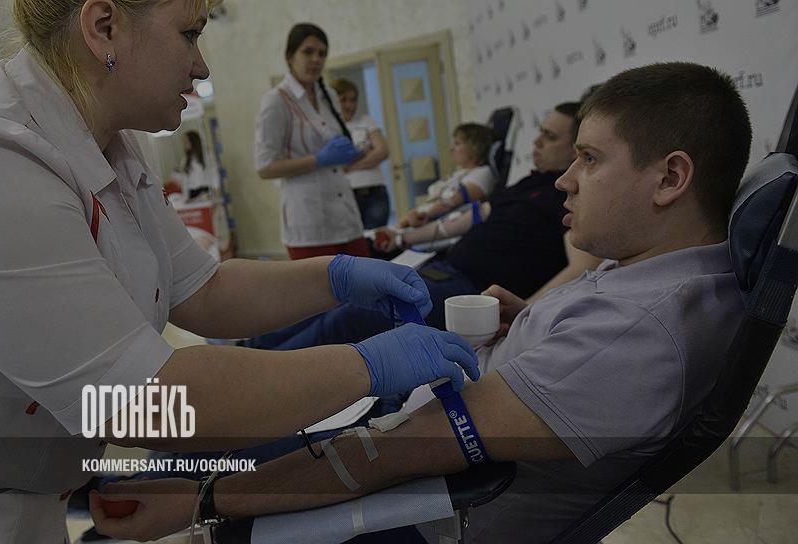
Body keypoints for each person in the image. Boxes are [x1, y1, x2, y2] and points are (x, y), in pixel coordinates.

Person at [0, 1, 480, 542]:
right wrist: (366, 366)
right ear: (104, 26)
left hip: (18, 497)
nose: (202, 64)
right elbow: (141, 404)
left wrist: (335, 277)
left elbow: (204, 290)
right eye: (190, 33)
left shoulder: (109, 142)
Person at [90, 61, 753, 544]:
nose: (565, 180)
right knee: (230, 428)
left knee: (212, 462)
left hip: (425, 510)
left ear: (670, 177)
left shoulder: (634, 332)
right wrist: (532, 323)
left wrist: (207, 501)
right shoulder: (663, 274)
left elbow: (400, 451)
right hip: (426, 440)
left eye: (589, 159)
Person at [248, 103, 580, 350]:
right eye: (539, 132)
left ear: (577, 149)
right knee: (343, 298)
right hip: (443, 269)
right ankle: (251, 346)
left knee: (346, 320)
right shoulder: (531, 182)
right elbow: (474, 216)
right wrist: (403, 237)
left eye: (550, 137)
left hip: (468, 292)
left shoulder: (570, 198)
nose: (537, 142)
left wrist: (523, 319)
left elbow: (580, 267)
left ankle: (255, 372)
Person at [255, 23, 369, 260]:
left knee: (363, 280)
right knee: (322, 285)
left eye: (322, 53)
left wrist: (350, 153)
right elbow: (265, 167)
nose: (316, 59)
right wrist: (318, 159)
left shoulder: (330, 97)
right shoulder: (276, 101)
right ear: (290, 57)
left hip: (346, 215)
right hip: (309, 224)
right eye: (308, 52)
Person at [395, 123, 498, 230]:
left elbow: (451, 201)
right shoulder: (459, 173)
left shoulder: (484, 173)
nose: (451, 148)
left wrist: (424, 215)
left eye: (457, 144)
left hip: (436, 225)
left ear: (475, 147)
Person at [332, 78, 392, 229]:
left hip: (375, 194)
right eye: (343, 100)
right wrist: (365, 153)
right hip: (346, 197)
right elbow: (334, 163)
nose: (349, 105)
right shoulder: (329, 129)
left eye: (353, 100)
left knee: (377, 239)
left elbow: (382, 152)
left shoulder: (366, 121)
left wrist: (350, 166)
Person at [179, 130, 214, 199]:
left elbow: (213, 175)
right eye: (184, 142)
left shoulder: (206, 156)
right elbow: (185, 180)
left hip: (204, 191)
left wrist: (213, 193)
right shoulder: (185, 159)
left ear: (193, 141)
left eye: (186, 141)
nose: (184, 144)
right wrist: (186, 196)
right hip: (192, 192)